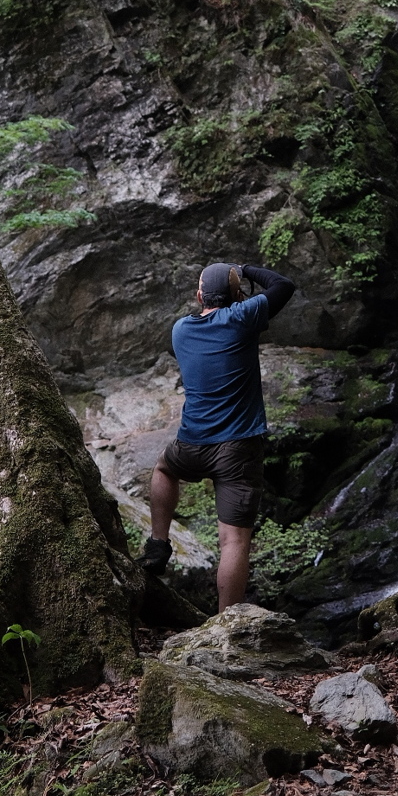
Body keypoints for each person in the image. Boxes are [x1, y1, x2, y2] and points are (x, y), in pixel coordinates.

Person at [141, 260, 295, 611]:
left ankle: (158, 543)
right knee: (234, 540)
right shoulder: (242, 317)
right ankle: (227, 627)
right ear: (238, 296)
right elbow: (283, 285)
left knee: (164, 469)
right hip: (237, 449)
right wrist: (246, 268)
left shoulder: (181, 330)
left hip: (191, 443)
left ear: (199, 296)